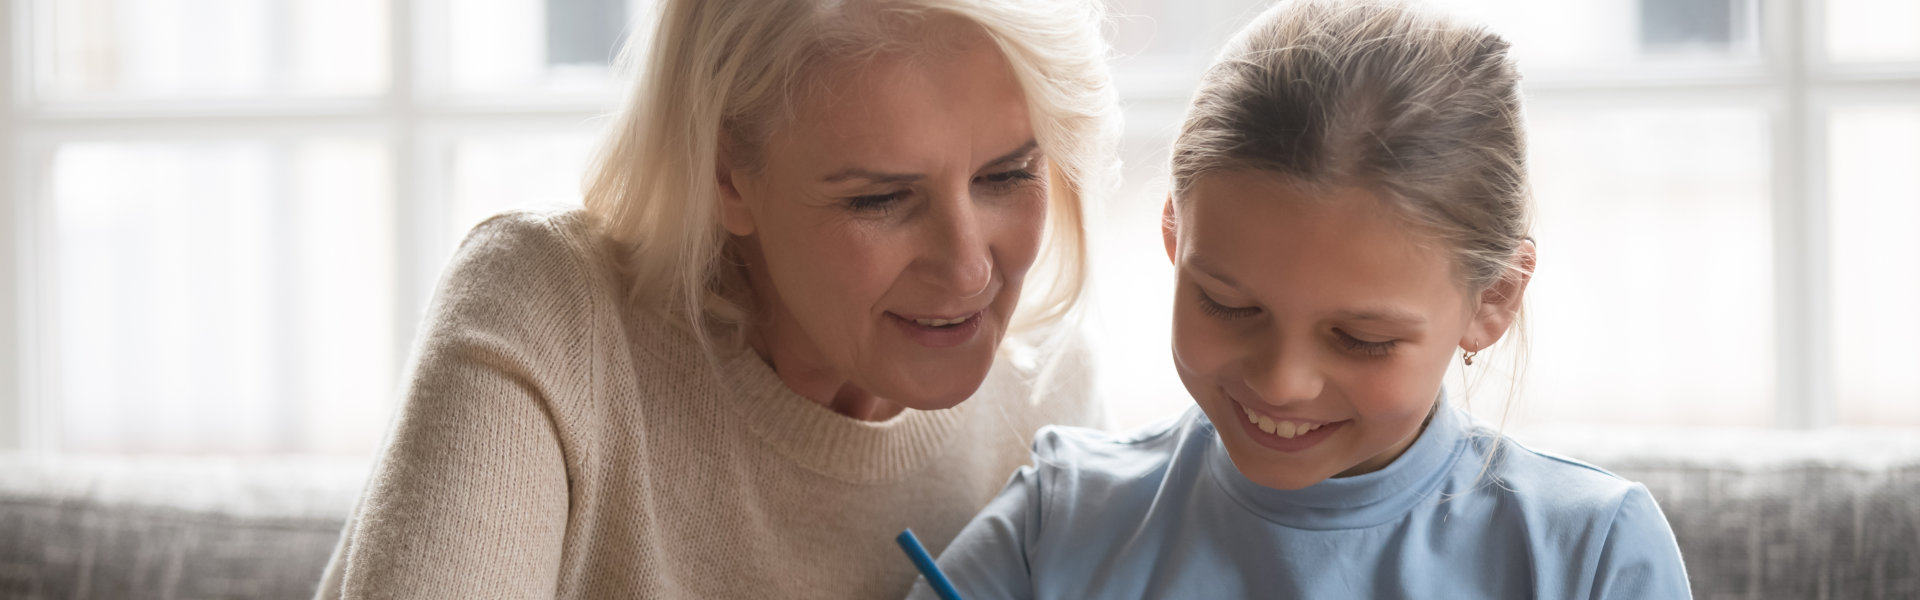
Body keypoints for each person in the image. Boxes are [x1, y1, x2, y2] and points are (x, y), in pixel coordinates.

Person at [315, 0, 1120, 598]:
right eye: (881, 200)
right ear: (727, 175)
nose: (971, 271)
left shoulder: (1048, 394)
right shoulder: (551, 313)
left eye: (1009, 175)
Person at [911, 1, 1692, 598]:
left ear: (1493, 300)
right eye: (1229, 305)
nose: (1283, 382)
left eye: (1359, 338)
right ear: (1175, 241)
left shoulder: (1591, 555)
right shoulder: (1060, 519)